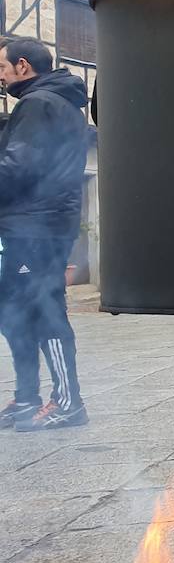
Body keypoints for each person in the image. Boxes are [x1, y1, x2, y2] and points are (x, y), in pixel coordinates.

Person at [0, 38, 89, 431]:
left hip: (37, 227)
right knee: (12, 309)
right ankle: (25, 398)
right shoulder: (58, 102)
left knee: (45, 308)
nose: (0, 76)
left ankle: (68, 402)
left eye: (2, 67)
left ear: (22, 66)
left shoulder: (38, 104)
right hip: (38, 224)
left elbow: (18, 166)